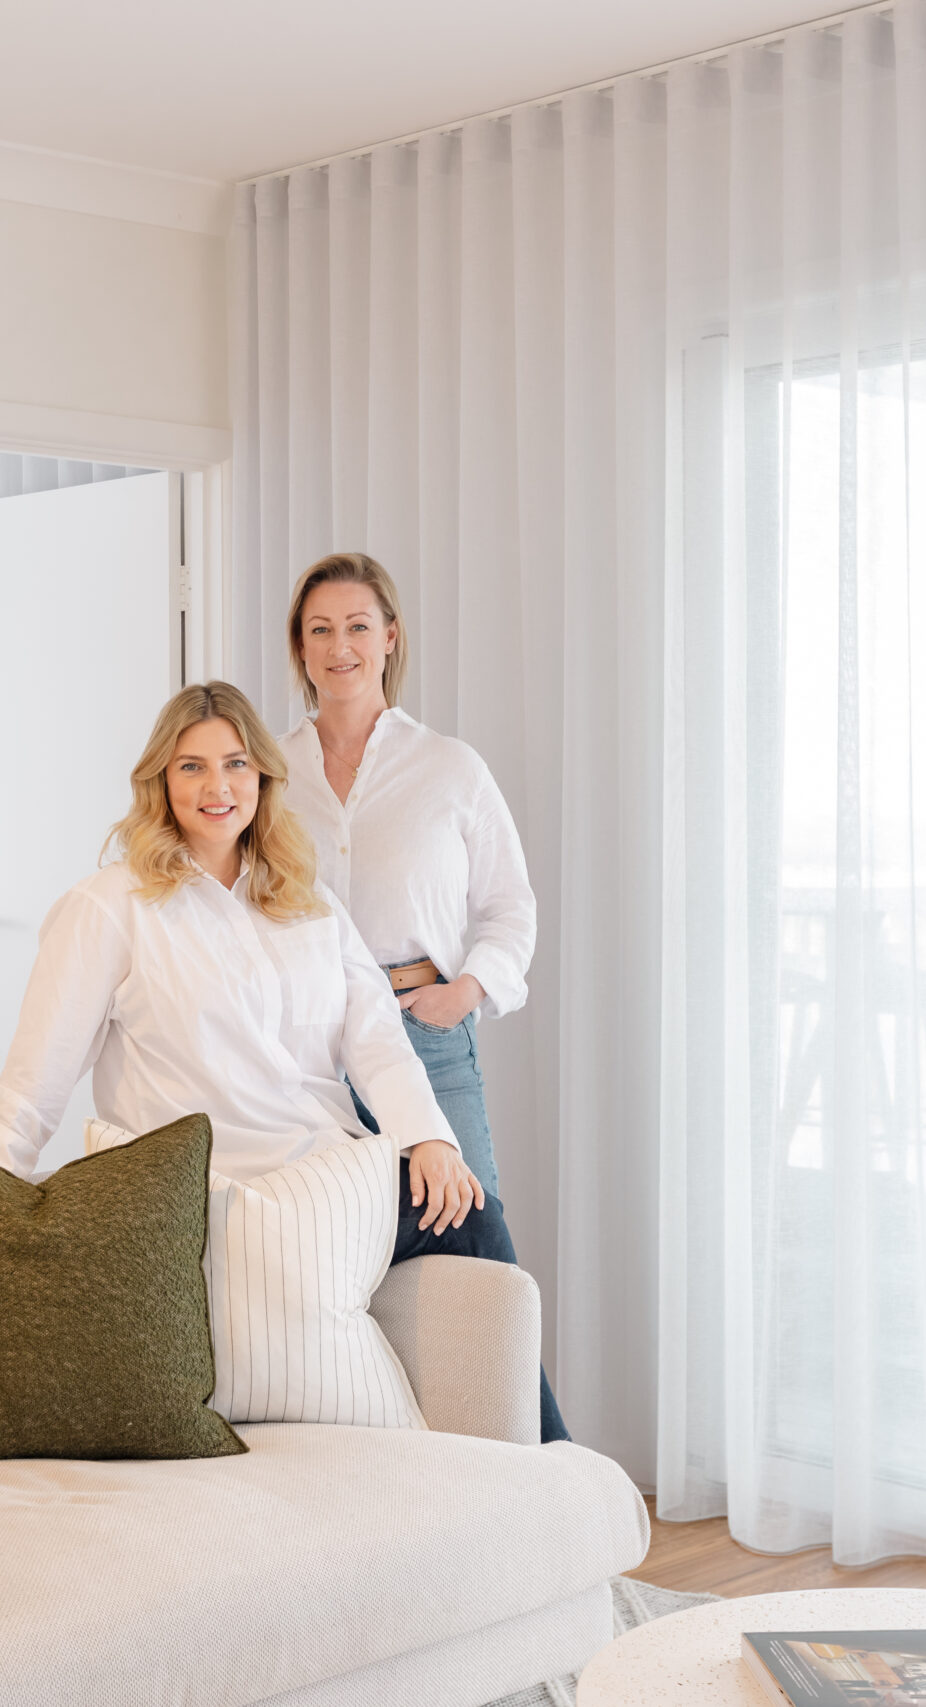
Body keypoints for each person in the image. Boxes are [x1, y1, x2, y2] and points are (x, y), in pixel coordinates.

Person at [0, 682, 568, 1439]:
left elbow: (376, 1040)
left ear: (262, 779)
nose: (216, 787)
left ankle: (542, 1469)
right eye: (192, 767)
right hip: (206, 1194)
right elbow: (35, 1082)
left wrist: (431, 1140)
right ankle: (545, 1463)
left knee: (472, 1211)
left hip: (325, 1180)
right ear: (161, 781)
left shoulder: (308, 903)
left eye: (236, 765)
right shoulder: (109, 906)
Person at [277, 553, 565, 1439]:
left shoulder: (449, 767)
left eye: (358, 626)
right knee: (326, 1260)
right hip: (309, 1051)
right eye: (321, 629)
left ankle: (533, 1459)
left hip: (426, 1039)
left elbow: (510, 905)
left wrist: (468, 988)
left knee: (474, 1248)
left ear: (391, 637)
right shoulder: (268, 772)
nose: (341, 646)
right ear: (300, 646)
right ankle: (393, 1465)